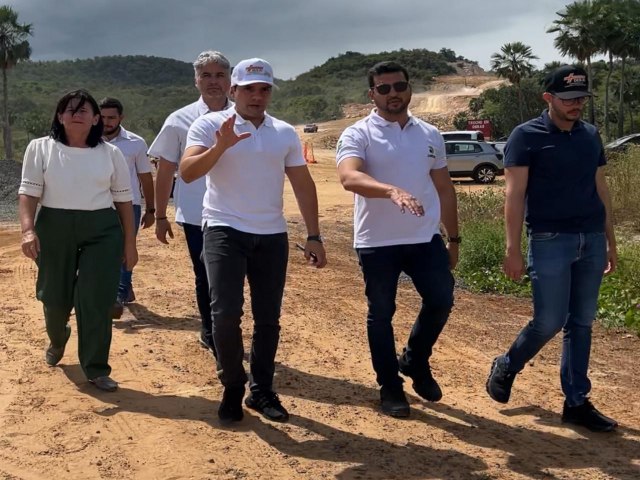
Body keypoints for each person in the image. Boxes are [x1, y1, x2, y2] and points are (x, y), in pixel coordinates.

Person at [180, 58, 327, 423]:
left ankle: (261, 391)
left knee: (268, 318)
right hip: (223, 229)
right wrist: (221, 147)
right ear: (233, 90)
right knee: (225, 313)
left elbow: (303, 184)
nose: (257, 96)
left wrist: (313, 235)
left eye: (264, 89)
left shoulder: (283, 133)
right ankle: (232, 384)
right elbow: (186, 173)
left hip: (271, 234)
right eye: (249, 89)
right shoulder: (210, 124)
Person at [486, 65, 618, 432]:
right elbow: (513, 196)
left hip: (590, 238)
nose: (576, 105)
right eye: (569, 99)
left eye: (581, 99)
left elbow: (600, 189)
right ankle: (507, 364)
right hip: (548, 240)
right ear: (548, 98)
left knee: (582, 323)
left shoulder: (590, 135)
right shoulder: (525, 136)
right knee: (549, 321)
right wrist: (512, 249)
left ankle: (576, 402)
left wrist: (610, 239)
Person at [336, 61, 459, 418]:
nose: (393, 94)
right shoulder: (358, 133)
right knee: (381, 314)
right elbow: (348, 177)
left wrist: (454, 239)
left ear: (409, 88)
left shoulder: (430, 134)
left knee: (441, 300)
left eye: (399, 86)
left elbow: (445, 189)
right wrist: (390, 190)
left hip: (424, 238)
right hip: (377, 241)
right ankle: (390, 387)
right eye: (384, 88)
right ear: (372, 94)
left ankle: (415, 360)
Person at [18, 89, 137, 392]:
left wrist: (129, 243)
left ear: (96, 118)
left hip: (101, 229)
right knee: (54, 298)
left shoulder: (111, 154)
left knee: (95, 298)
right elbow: (28, 194)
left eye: (84, 109)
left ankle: (96, 367)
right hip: (54, 227)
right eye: (69, 109)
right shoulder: (40, 148)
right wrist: (28, 230)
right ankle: (58, 339)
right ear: (59, 116)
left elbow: (124, 201)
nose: (76, 113)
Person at [148, 51, 233, 356]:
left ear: (230, 79)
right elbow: (166, 171)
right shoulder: (178, 120)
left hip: (237, 213)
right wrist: (159, 215)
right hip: (197, 215)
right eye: (206, 76)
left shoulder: (244, 115)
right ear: (196, 80)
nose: (213, 82)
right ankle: (211, 330)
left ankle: (224, 327)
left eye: (219, 75)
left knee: (231, 278)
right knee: (206, 275)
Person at [99, 97, 155, 318]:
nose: (107, 122)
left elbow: (145, 177)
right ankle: (107, 291)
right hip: (97, 205)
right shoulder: (87, 140)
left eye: (111, 117)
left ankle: (119, 295)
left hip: (129, 205)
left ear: (121, 118)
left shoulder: (136, 143)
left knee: (125, 249)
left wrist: (152, 210)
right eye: (102, 117)